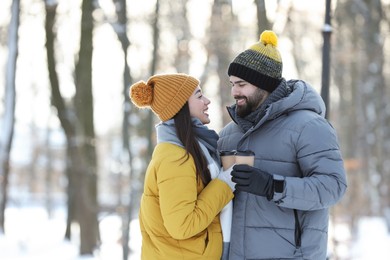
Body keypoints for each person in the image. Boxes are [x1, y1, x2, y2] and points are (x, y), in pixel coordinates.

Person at [218, 30, 348, 259]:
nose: (234, 92)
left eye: (242, 84)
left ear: (263, 85)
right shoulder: (229, 134)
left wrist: (273, 186)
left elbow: (333, 186)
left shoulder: (309, 126)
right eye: (232, 84)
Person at [130, 73, 235, 260]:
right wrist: (225, 183)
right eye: (199, 95)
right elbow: (183, 225)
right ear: (181, 105)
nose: (207, 101)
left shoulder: (190, 150)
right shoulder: (175, 158)